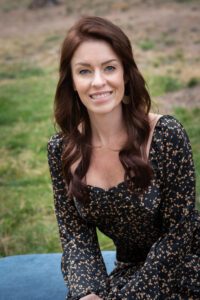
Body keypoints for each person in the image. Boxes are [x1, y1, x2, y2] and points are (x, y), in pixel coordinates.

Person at [47, 16, 200, 300]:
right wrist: (87, 293)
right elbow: (76, 237)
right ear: (71, 81)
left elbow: (178, 235)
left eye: (109, 68)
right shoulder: (61, 149)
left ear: (125, 74)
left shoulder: (166, 135)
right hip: (130, 269)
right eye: (84, 71)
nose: (98, 82)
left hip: (186, 263)